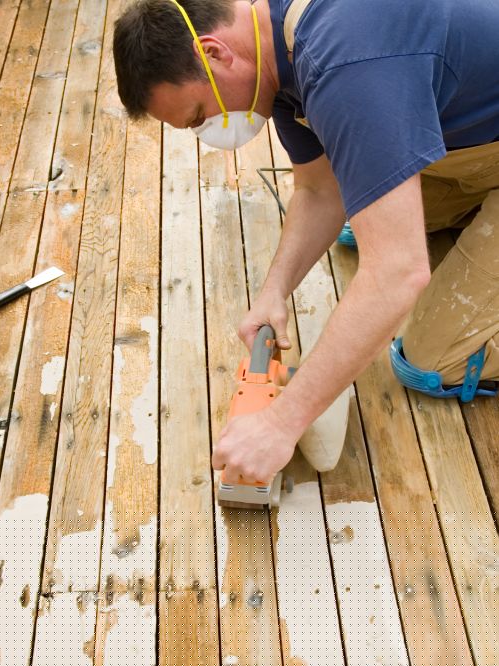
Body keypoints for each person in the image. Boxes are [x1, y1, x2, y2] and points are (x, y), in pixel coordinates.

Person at [113, 0, 499, 485]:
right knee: (364, 214)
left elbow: (399, 271)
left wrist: (281, 422)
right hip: (472, 128)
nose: (208, 129)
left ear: (213, 53)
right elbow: (321, 189)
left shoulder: (344, 64)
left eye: (198, 116)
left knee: (433, 360)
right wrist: (274, 291)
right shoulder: (275, 41)